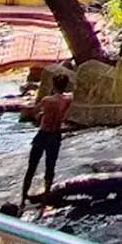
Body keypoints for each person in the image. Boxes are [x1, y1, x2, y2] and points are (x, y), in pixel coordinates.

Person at [21, 74, 73, 205]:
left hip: (43, 134)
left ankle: (23, 197)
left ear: (53, 85)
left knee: (32, 165)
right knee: (50, 166)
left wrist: (40, 114)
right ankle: (45, 197)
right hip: (56, 135)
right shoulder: (68, 100)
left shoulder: (46, 100)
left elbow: (33, 112)